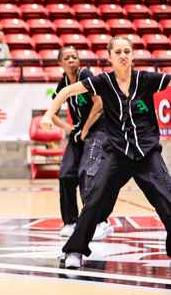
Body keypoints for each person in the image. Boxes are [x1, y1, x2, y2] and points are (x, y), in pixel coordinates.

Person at [41, 36, 171, 269]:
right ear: (109, 57)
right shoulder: (103, 82)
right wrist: (48, 115)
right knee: (95, 201)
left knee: (167, 199)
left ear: (133, 55)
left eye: (127, 51)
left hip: (147, 152)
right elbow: (66, 92)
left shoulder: (146, 79)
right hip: (117, 154)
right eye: (118, 52)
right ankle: (74, 251)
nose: (123, 55)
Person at [42, 46, 112, 240]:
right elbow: (52, 111)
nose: (71, 60)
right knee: (66, 175)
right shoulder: (63, 83)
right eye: (67, 58)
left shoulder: (85, 75)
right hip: (80, 132)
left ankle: (100, 222)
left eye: (74, 57)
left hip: (98, 129)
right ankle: (70, 222)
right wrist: (67, 128)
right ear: (60, 63)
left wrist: (86, 129)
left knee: (86, 173)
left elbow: (99, 104)